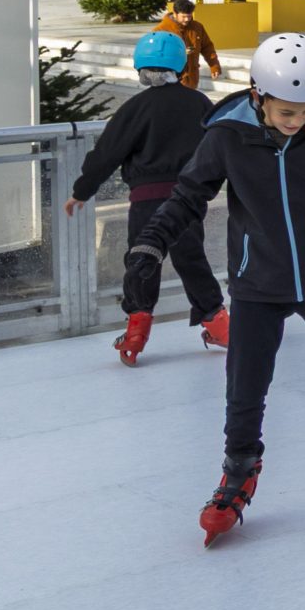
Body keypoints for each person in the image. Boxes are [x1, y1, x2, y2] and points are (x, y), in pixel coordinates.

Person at [123, 33, 305, 546]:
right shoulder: (225, 136)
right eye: (288, 112)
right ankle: (237, 470)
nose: (299, 121)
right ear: (259, 96)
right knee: (246, 385)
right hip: (257, 282)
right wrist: (150, 247)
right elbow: (187, 197)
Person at [69, 29, 228, 365]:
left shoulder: (134, 108)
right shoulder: (199, 103)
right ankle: (219, 323)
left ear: (140, 69)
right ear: (180, 68)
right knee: (191, 259)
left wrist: (82, 191)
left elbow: (107, 154)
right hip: (188, 198)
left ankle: (136, 330)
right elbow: (219, 146)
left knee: (143, 259)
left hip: (147, 200)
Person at [152, 0, 224, 89]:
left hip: (192, 80)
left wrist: (214, 66)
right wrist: (179, 52)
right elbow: (156, 54)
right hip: (170, 81)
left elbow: (207, 48)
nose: (187, 19)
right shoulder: (160, 30)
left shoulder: (197, 27)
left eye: (189, 16)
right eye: (184, 17)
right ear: (175, 14)